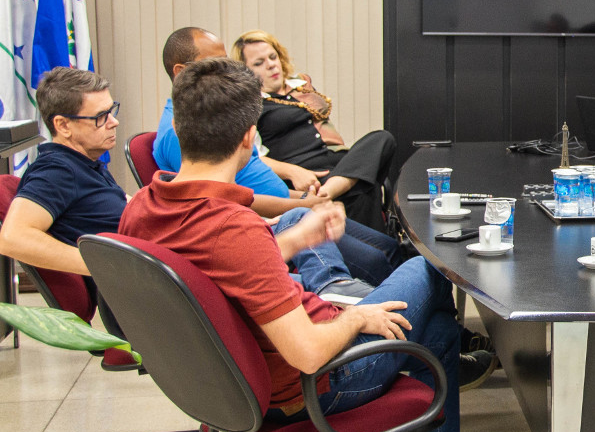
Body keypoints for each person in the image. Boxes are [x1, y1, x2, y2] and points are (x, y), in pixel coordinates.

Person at [118, 57, 508, 432]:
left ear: (178, 126)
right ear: (248, 138)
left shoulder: (144, 205)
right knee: (430, 268)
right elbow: (306, 354)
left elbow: (221, 267)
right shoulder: (234, 230)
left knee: (426, 321)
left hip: (261, 367)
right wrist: (354, 320)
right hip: (322, 382)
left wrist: (297, 239)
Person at [0, 67, 373, 306]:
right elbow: (13, 238)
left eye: (111, 110)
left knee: (300, 220)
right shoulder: (56, 169)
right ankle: (335, 288)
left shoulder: (84, 164)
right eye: (99, 117)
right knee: (383, 264)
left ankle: (343, 285)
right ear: (63, 125)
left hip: (183, 274)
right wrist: (106, 265)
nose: (112, 123)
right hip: (173, 291)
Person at [231, 30, 397, 232]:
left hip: (334, 165)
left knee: (382, 137)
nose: (271, 64)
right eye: (259, 63)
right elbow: (254, 156)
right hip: (305, 177)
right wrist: (293, 171)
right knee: (364, 189)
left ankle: (327, 194)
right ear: (246, 71)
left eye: (272, 57)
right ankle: (386, 254)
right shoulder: (251, 104)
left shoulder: (299, 89)